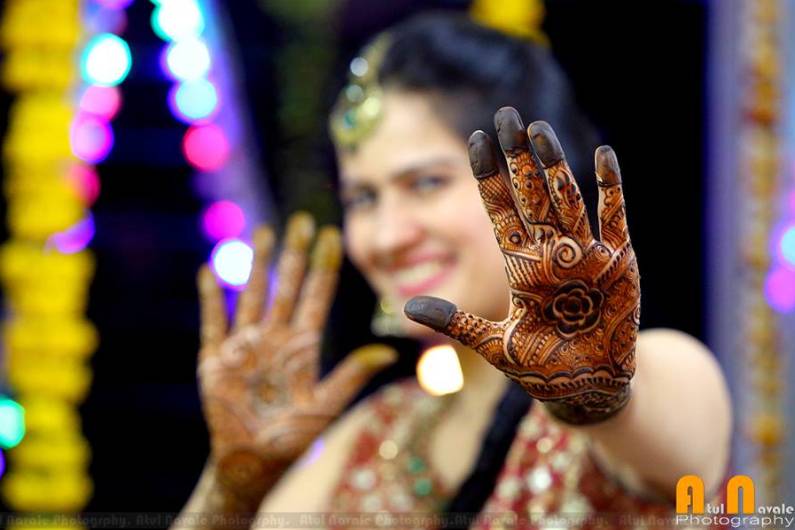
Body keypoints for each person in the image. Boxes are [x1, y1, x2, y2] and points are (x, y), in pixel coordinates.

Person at [174, 11, 731, 530]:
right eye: (364, 198)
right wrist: (231, 493)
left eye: (426, 183)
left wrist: (595, 395)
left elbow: (678, 445)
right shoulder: (379, 432)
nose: (389, 236)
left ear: (528, 180)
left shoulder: (655, 377)